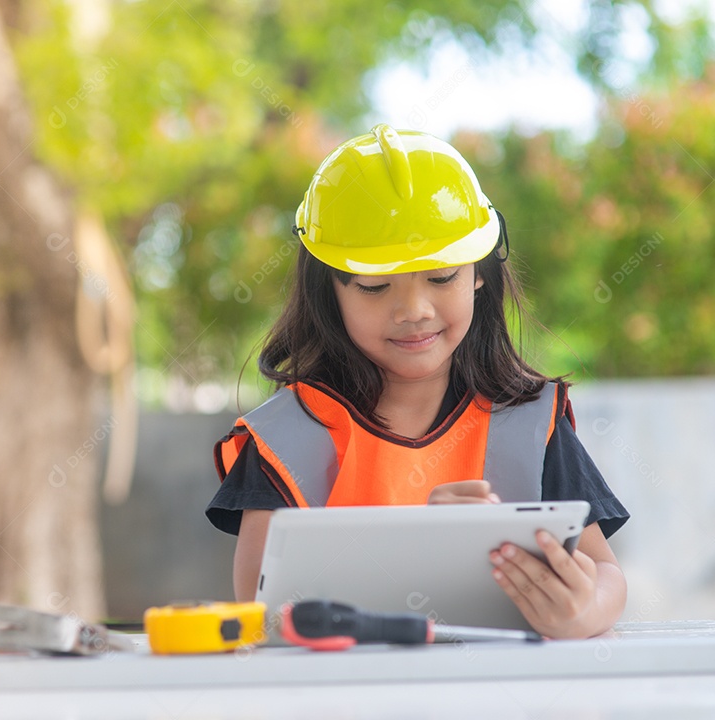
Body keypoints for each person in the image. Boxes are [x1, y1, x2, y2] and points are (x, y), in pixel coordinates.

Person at [206, 124, 629, 639]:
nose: (414, 311)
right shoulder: (287, 439)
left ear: (478, 273)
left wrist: (584, 609)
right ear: (329, 290)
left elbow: (605, 574)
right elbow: (262, 613)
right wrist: (421, 549)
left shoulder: (529, 421)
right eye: (376, 286)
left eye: (441, 277)